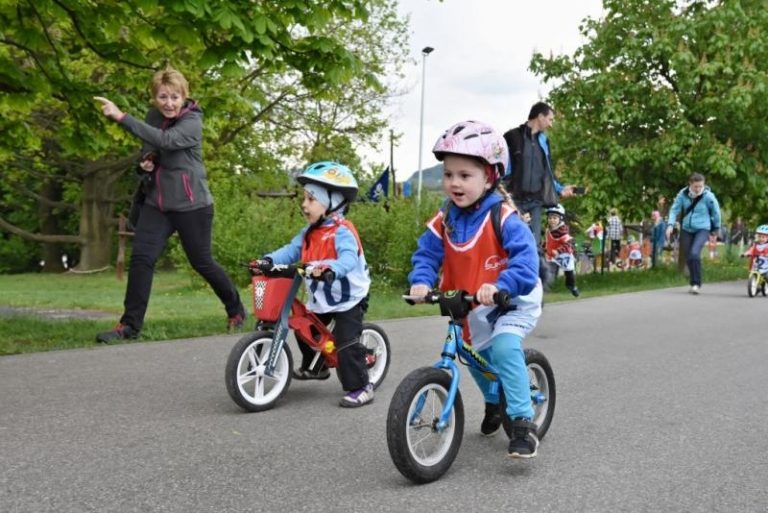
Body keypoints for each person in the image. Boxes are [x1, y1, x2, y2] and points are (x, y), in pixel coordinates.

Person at [409, 120, 543, 459]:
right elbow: (427, 253)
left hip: (513, 298)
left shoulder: (504, 216)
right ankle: (493, 400)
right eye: (449, 174)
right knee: (470, 354)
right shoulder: (446, 218)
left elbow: (526, 262)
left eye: (465, 175)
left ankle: (523, 421)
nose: (454, 182)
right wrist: (422, 280)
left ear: (489, 177)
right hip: (472, 301)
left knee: (505, 348)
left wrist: (501, 285)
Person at [93, 67, 244, 343]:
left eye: (175, 97)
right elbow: (150, 150)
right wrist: (145, 165)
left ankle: (235, 309)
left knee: (202, 262)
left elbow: (166, 141)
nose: (169, 103)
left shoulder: (193, 121)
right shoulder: (153, 117)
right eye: (163, 97)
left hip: (192, 205)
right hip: (157, 204)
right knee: (141, 260)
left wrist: (121, 117)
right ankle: (129, 326)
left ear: (184, 97)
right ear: (155, 98)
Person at [261, 161, 374, 408]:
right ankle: (317, 367)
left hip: (349, 298)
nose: (304, 204)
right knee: (303, 327)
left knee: (345, 342)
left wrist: (331, 268)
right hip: (323, 297)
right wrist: (268, 260)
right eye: (304, 198)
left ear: (332, 202)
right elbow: (290, 251)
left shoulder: (343, 231)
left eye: (311, 199)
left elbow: (348, 259)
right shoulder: (308, 233)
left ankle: (362, 387)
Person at [502, 102, 575, 246]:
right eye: (550, 119)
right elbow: (503, 169)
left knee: (533, 244)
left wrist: (560, 189)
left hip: (535, 202)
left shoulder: (544, 141)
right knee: (513, 242)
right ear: (540, 116)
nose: (551, 124)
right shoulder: (512, 137)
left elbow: (547, 171)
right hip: (514, 200)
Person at [665, 172, 722, 294]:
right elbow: (674, 210)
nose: (698, 189)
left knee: (695, 253)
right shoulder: (683, 194)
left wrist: (716, 228)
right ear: (690, 184)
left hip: (703, 228)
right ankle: (693, 281)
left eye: (700, 186)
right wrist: (670, 225)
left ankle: (696, 283)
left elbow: (716, 212)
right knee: (689, 256)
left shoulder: (708, 196)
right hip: (687, 229)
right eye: (696, 186)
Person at [544, 204, 579, 296]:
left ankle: (572, 286)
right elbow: (548, 241)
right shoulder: (548, 229)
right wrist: (543, 247)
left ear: (560, 219)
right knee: (549, 271)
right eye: (550, 218)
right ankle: (545, 288)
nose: (552, 220)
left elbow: (568, 243)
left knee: (569, 272)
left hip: (564, 255)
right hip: (552, 255)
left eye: (554, 218)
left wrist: (558, 251)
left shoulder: (563, 230)